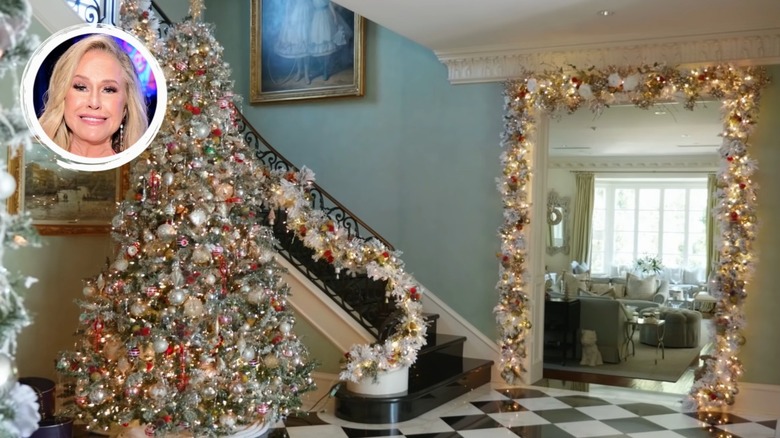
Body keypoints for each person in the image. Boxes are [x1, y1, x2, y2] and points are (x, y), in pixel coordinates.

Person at [38, 34, 148, 158]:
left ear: (125, 107)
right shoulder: (29, 160)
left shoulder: (140, 173)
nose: (94, 102)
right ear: (62, 96)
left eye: (108, 90)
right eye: (81, 87)